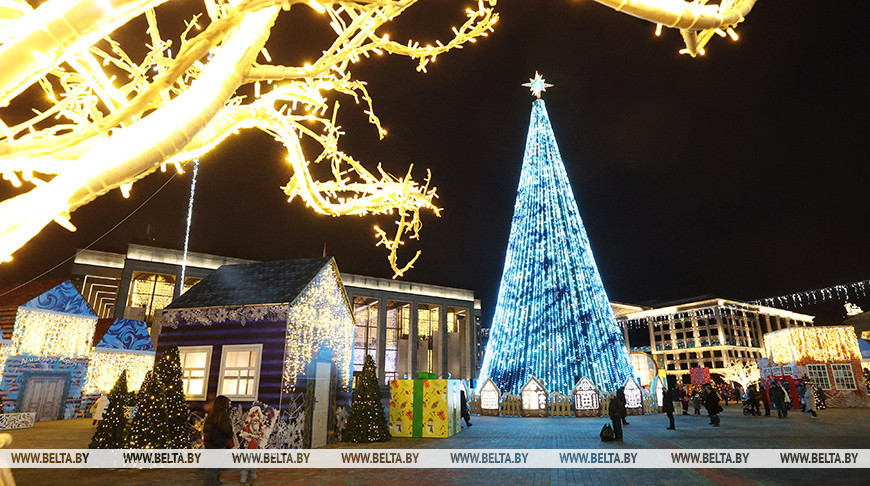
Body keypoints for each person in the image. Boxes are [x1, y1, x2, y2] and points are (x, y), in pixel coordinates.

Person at [203, 395, 233, 486]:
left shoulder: (211, 414)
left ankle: (209, 483)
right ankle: (213, 483)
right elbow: (227, 429)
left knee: (210, 467)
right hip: (218, 444)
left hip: (210, 444)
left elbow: (205, 429)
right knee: (216, 467)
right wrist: (230, 435)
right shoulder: (223, 415)